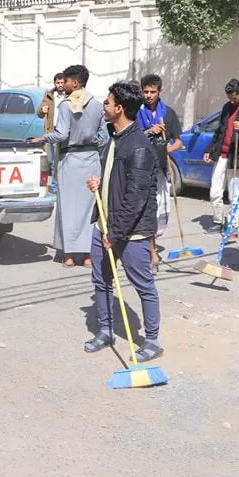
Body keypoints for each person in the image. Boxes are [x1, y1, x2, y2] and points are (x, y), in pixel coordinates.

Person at [85, 81, 162, 359]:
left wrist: (115, 232)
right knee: (102, 281)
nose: (104, 106)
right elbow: (115, 182)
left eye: (107, 102)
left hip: (131, 232)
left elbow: (136, 199)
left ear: (119, 108)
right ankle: (105, 331)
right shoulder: (114, 138)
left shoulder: (139, 147)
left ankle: (151, 341)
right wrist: (98, 184)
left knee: (143, 285)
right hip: (105, 224)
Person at [29, 64, 108, 267]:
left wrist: (42, 137)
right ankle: (89, 256)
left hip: (70, 161)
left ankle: (69, 256)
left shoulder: (66, 105)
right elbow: (103, 138)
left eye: (67, 81)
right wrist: (90, 146)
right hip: (91, 161)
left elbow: (62, 134)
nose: (63, 84)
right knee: (89, 208)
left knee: (68, 208)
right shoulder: (98, 105)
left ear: (76, 82)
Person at [203, 78, 239, 240]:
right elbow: (220, 131)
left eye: (234, 98)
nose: (232, 101)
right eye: (229, 98)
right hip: (222, 154)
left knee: (234, 194)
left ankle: (233, 226)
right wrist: (209, 148)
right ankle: (218, 221)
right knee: (215, 190)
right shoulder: (227, 108)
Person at [137, 74, 183, 274]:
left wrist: (167, 150)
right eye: (145, 91)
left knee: (157, 213)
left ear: (159, 92)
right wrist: (149, 132)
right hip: (140, 170)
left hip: (161, 172)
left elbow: (179, 142)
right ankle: (152, 256)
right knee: (146, 212)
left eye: (152, 92)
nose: (148, 95)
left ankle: (151, 250)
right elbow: (128, 137)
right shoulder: (136, 113)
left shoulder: (169, 114)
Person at [36, 72, 67, 195]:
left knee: (64, 159)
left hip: (65, 130)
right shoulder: (49, 95)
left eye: (62, 83)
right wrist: (41, 110)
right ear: (55, 83)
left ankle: (64, 185)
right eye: (57, 83)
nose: (60, 85)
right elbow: (39, 112)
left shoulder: (68, 95)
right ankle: (54, 187)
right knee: (54, 161)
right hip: (52, 130)